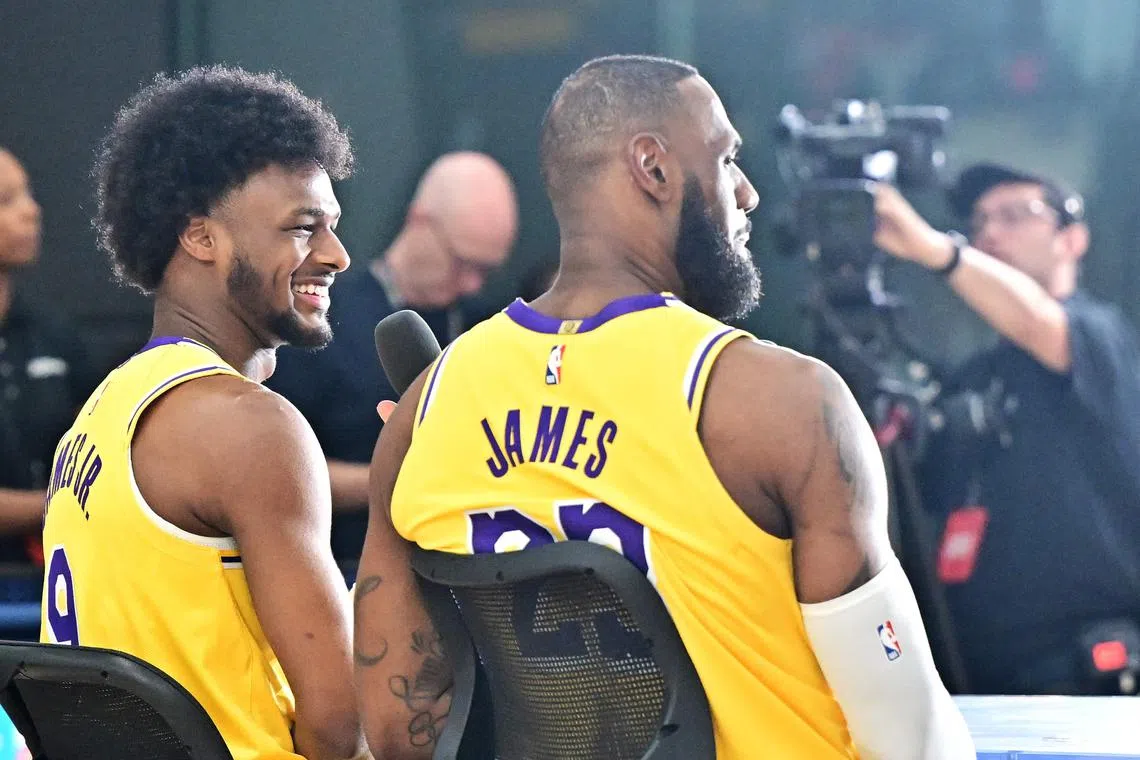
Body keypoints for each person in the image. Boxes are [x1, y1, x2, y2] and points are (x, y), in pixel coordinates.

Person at [354, 55, 974, 759]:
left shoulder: (423, 412)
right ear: (653, 168)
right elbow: (911, 739)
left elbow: (399, 731)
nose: (747, 193)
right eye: (728, 157)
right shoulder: (782, 404)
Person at [40, 66, 371, 760]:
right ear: (202, 238)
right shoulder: (248, 427)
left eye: (333, 227)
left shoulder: (100, 414)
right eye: (303, 228)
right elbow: (345, 728)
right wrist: (402, 493)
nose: (337, 255)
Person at [874, 165, 1140, 694]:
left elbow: (1040, 321)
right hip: (973, 671)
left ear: (1072, 238)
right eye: (979, 222)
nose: (990, 233)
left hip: (1082, 671)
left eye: (1015, 215)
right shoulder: (975, 377)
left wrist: (937, 249)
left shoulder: (1097, 336)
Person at [267, 151, 516, 559]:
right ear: (420, 221)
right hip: (350, 560)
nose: (472, 284)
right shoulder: (323, 315)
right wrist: (396, 481)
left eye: (487, 271)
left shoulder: (487, 325)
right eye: (463, 262)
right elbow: (276, 472)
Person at [0, 148, 95, 557]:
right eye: (7, 201)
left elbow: (100, 446)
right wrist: (65, 505)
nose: (31, 211)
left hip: (48, 584)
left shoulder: (52, 335)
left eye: (27, 195)